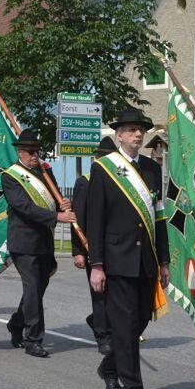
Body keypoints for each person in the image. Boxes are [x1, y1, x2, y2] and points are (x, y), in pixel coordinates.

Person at [85, 108, 169, 389]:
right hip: (117, 259)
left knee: (140, 321)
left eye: (141, 130)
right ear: (118, 135)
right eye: (131, 130)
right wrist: (96, 264)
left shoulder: (151, 168)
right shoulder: (104, 168)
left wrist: (164, 260)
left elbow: (159, 217)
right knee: (124, 324)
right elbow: (95, 219)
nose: (137, 134)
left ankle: (110, 367)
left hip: (146, 259)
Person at [3, 129, 75, 358]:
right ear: (20, 152)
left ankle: (17, 322)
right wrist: (57, 216)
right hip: (23, 241)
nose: (35, 155)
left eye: (37, 151)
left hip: (44, 239)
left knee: (38, 288)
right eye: (30, 151)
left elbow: (53, 198)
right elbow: (24, 207)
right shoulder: (10, 177)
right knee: (33, 287)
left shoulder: (45, 172)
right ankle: (33, 339)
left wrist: (62, 203)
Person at [71, 136, 116, 355]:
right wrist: (78, 251)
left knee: (115, 293)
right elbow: (78, 219)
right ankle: (103, 336)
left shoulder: (118, 180)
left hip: (116, 246)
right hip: (93, 245)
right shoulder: (85, 181)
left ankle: (98, 321)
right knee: (99, 293)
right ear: (96, 159)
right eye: (103, 157)